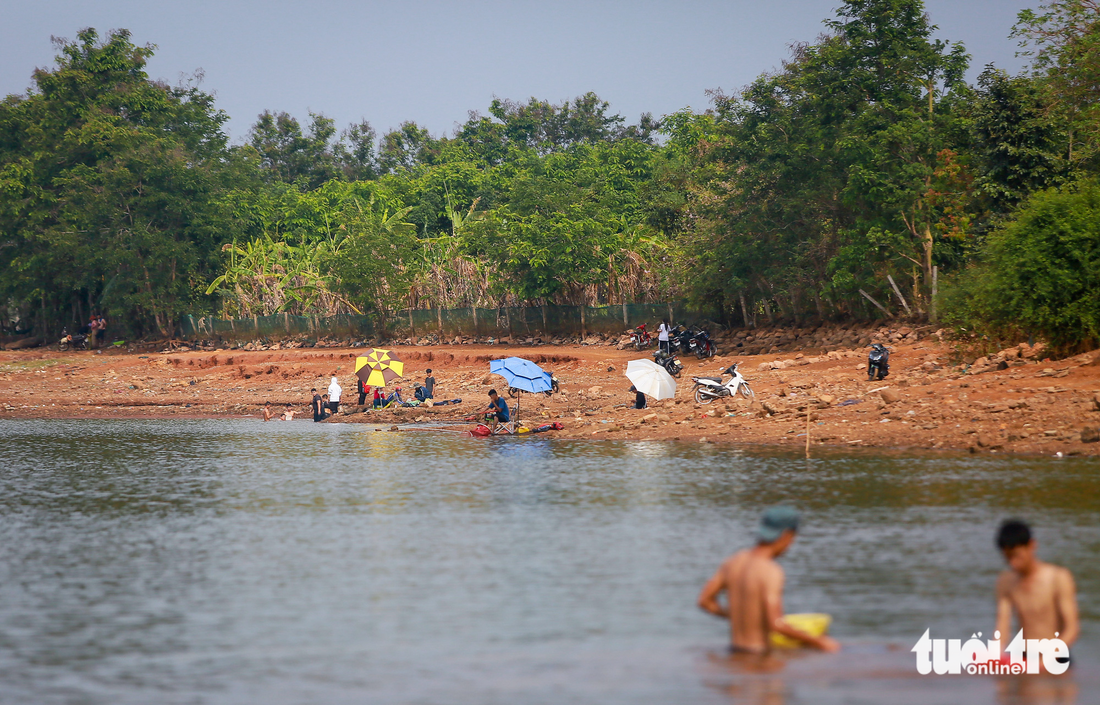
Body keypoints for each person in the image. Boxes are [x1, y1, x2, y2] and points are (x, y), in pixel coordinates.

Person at [698, 506, 840, 654]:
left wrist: (737, 616)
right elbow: (776, 624)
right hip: (760, 659)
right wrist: (820, 642)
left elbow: (705, 601)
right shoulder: (771, 571)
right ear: (787, 535)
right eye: (792, 539)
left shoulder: (732, 562)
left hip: (735, 652)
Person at [995, 519, 1079, 664]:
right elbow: (1003, 627)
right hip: (1024, 656)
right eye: (1007, 558)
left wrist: (1045, 660)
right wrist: (995, 655)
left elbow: (1072, 629)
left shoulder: (1058, 577)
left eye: (1016, 555)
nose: (1012, 563)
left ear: (1032, 545)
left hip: (1057, 657)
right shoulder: (1005, 581)